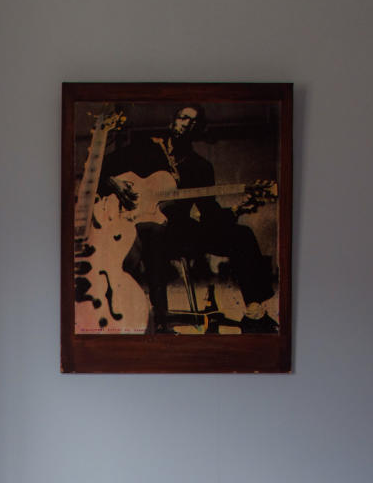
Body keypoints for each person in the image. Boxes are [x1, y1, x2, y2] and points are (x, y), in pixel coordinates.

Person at [98, 105, 277, 334]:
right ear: (172, 122)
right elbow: (103, 168)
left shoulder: (201, 167)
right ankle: (160, 318)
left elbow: (210, 213)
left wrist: (236, 209)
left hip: (179, 232)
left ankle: (254, 312)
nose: (186, 124)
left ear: (199, 129)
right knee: (154, 231)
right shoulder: (145, 147)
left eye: (193, 122)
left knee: (242, 235)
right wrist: (115, 184)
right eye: (183, 118)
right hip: (136, 228)